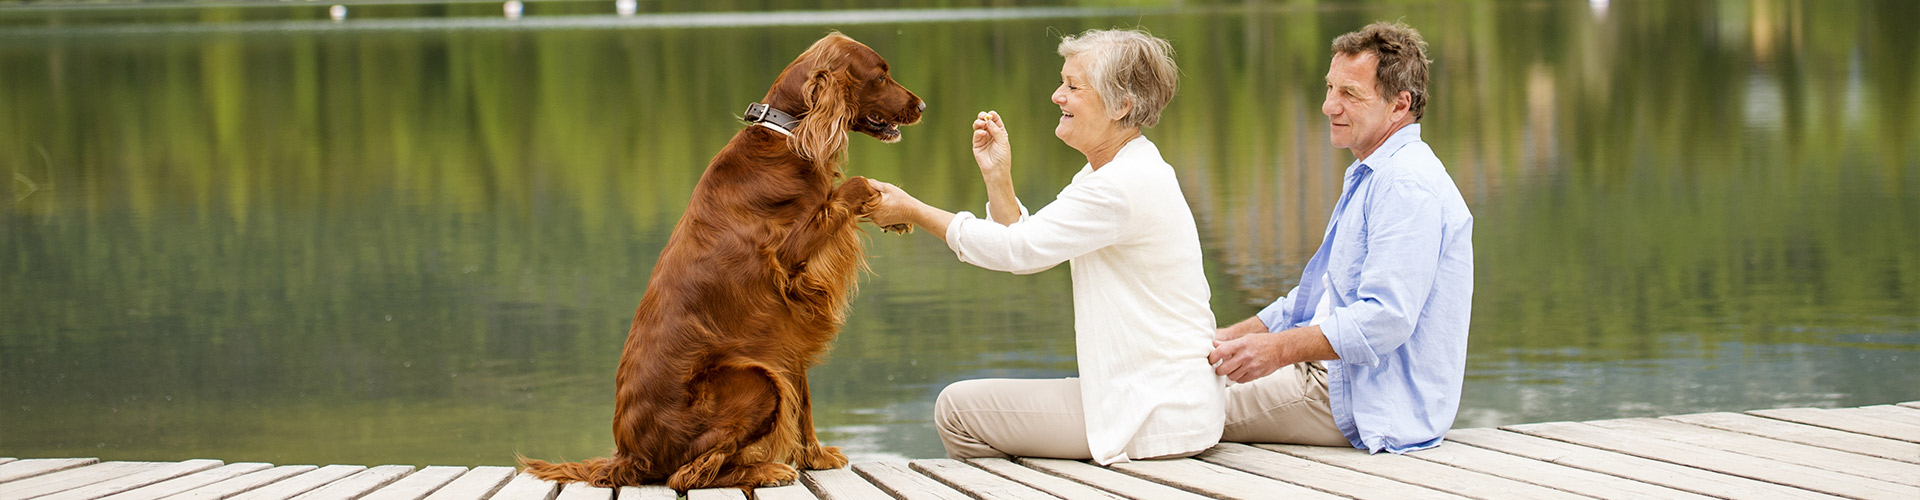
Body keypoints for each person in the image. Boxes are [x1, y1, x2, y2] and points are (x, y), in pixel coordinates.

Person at [864, 28, 1223, 465]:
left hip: (1149, 411)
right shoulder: (1114, 174)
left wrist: (914, 211)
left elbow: (1017, 251)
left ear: (1121, 105)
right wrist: (999, 178)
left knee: (957, 409)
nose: (1057, 96)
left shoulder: (1119, 187)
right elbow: (1027, 249)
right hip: (1151, 395)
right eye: (1062, 82)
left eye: (1073, 87)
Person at [1207, 21, 1474, 454]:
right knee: (1181, 379)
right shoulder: (1377, 171)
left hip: (1361, 403)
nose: (1330, 105)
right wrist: (1231, 337)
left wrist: (1274, 352)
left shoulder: (1405, 184)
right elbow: (1323, 296)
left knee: (1169, 407)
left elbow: (1385, 318)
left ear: (1399, 105)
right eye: (1330, 88)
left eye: (1349, 94)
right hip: (1329, 378)